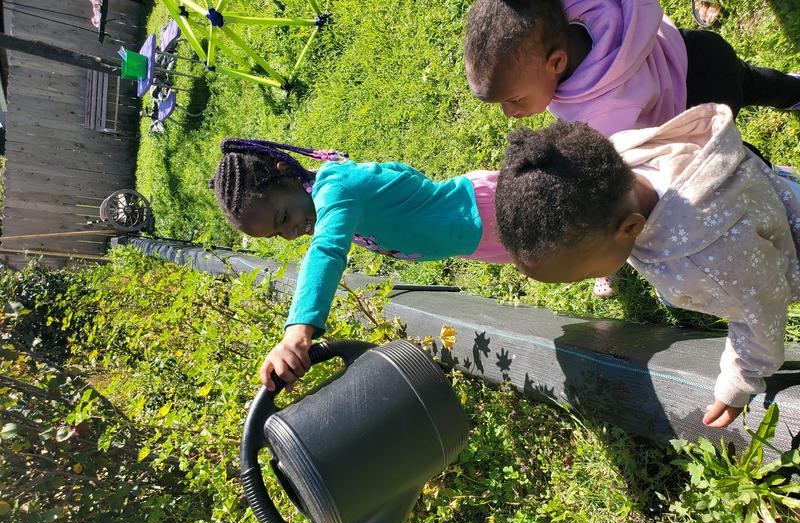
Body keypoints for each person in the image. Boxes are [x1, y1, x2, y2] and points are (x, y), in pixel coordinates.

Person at [492, 104, 800, 429]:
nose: (589, 279)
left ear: (631, 229)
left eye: (585, 272)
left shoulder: (710, 263)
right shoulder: (621, 160)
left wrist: (741, 378)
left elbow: (760, 313)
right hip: (777, 197)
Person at [463, 0, 800, 296]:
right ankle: (792, 91)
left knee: (725, 159)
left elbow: (612, 193)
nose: (510, 113)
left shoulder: (603, 117)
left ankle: (772, 179)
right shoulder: (572, 11)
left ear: (557, 62)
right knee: (752, 80)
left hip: (697, 98)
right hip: (698, 52)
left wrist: (600, 260)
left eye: (513, 100)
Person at [209, 138, 512, 389]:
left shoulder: (336, 190)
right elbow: (398, 174)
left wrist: (297, 333)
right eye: (278, 234)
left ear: (285, 170)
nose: (290, 234)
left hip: (487, 212)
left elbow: (326, 251)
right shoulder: (331, 190)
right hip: (472, 238)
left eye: (284, 218)